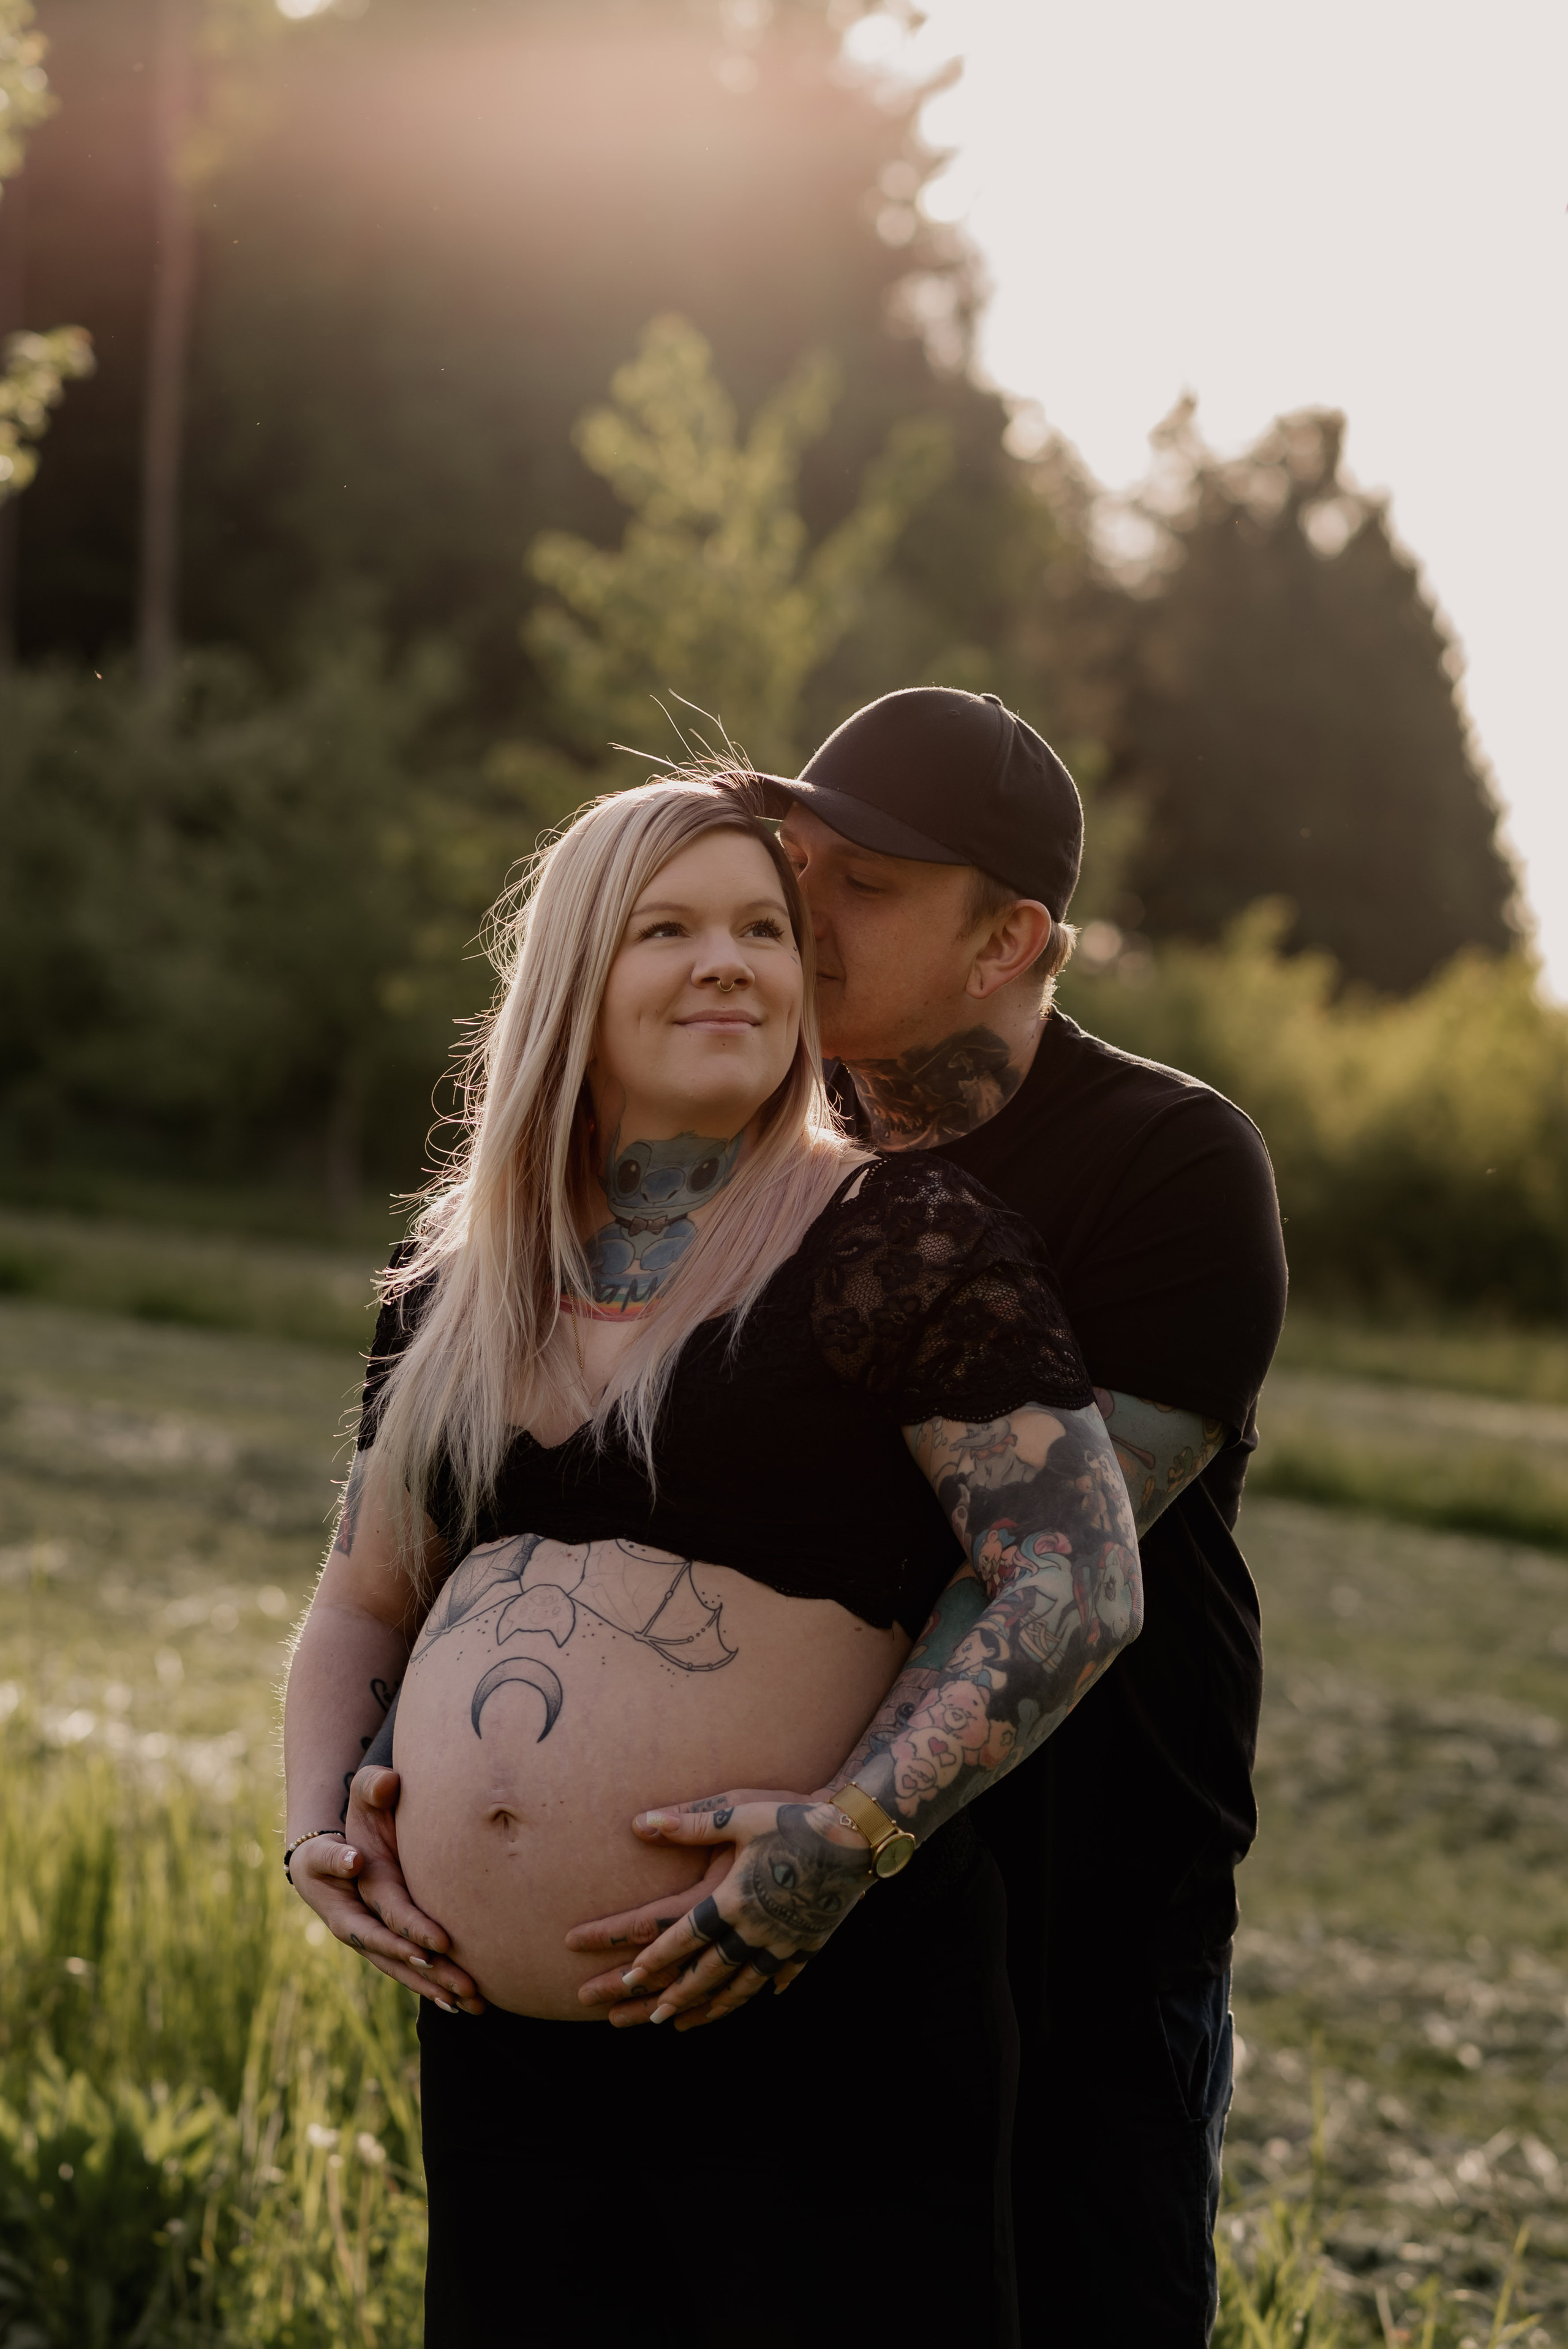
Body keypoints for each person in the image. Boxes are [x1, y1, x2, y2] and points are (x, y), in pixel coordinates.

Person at [284, 773, 1142, 2347]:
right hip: (506, 2060)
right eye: (666, 928)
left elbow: (1072, 1584)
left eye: (764, 928)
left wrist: (840, 1841)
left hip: (818, 2025)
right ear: (571, 978)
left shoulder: (899, 1239)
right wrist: (312, 1828)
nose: (732, 962)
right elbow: (361, 1602)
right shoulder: (459, 1291)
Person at [561, 690, 1289, 2346]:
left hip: (1073, 1899)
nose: (796, 912)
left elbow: (1032, 1564)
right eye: (793, 861)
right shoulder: (738, 1131)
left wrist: (839, 1830)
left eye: (866, 885)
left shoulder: (1170, 1167)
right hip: (755, 1894)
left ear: (1007, 939)